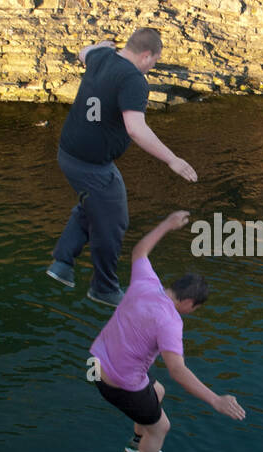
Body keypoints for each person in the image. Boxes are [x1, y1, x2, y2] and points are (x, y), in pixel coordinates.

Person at [89, 210, 246, 452]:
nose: (193, 312)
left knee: (158, 391)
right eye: (196, 309)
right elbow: (177, 370)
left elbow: (139, 250)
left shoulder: (146, 282)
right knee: (162, 427)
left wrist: (167, 224)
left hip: (96, 363)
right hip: (118, 383)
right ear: (189, 303)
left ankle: (137, 443)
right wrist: (215, 400)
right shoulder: (171, 322)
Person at [47, 27, 197, 305]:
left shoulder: (101, 56)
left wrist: (100, 45)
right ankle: (103, 288)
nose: (152, 67)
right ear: (146, 55)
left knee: (93, 205)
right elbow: (136, 129)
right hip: (92, 164)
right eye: (154, 61)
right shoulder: (133, 80)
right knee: (113, 221)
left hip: (68, 153)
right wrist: (172, 159)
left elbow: (83, 52)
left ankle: (62, 262)